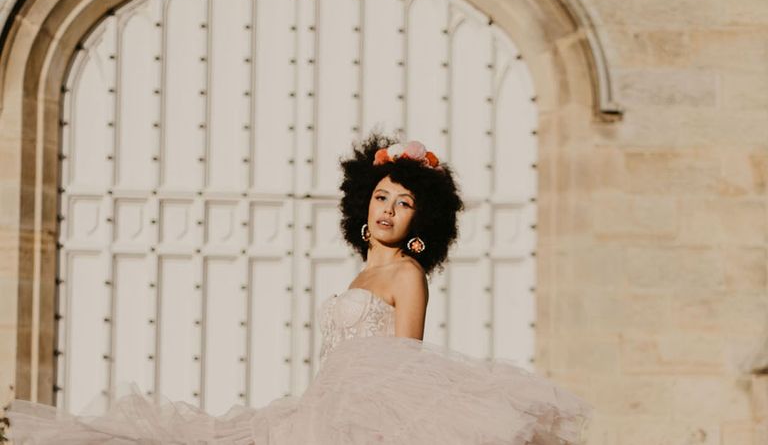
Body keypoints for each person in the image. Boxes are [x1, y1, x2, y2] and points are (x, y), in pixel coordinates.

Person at [9, 134, 592, 444]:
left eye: (405, 202)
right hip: (322, 406)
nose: (389, 209)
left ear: (423, 220)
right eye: (382, 196)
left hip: (367, 419)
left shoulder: (405, 275)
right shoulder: (362, 275)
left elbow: (410, 368)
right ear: (364, 203)